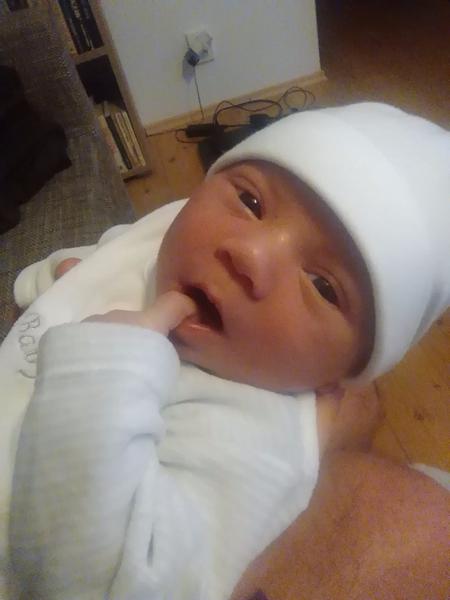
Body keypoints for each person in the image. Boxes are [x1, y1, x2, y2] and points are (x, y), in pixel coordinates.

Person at [2, 103, 449, 599]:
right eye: (251, 202)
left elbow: (103, 582)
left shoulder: (257, 443)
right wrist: (70, 275)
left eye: (323, 285)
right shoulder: (178, 241)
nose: (249, 254)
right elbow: (126, 249)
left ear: (338, 377)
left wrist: (101, 367)